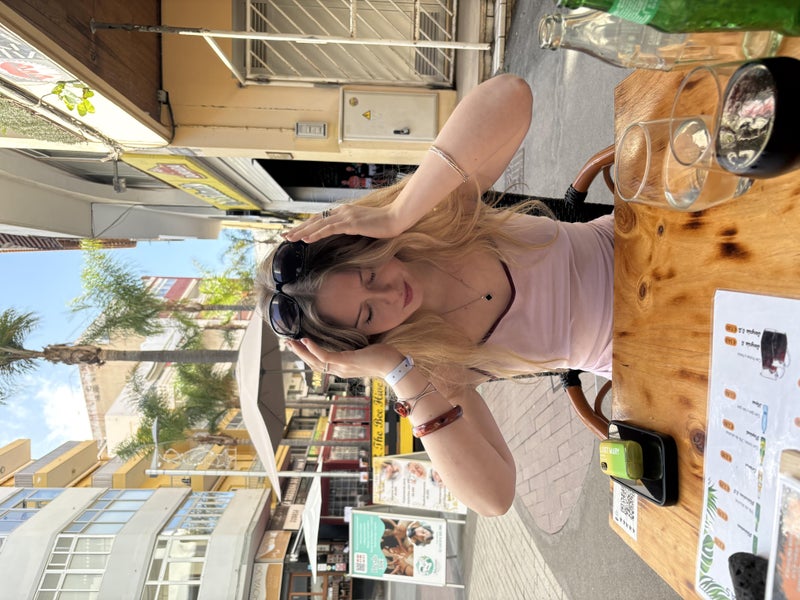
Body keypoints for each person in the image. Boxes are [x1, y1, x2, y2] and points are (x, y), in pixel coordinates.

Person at [255, 74, 614, 517]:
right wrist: (395, 371)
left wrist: (397, 214)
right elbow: (494, 498)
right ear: (366, 341)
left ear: (367, 244)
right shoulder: (438, 369)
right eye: (369, 315)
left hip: (652, 246)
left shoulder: (447, 221)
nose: (389, 294)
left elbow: (511, 95)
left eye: (370, 273)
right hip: (648, 359)